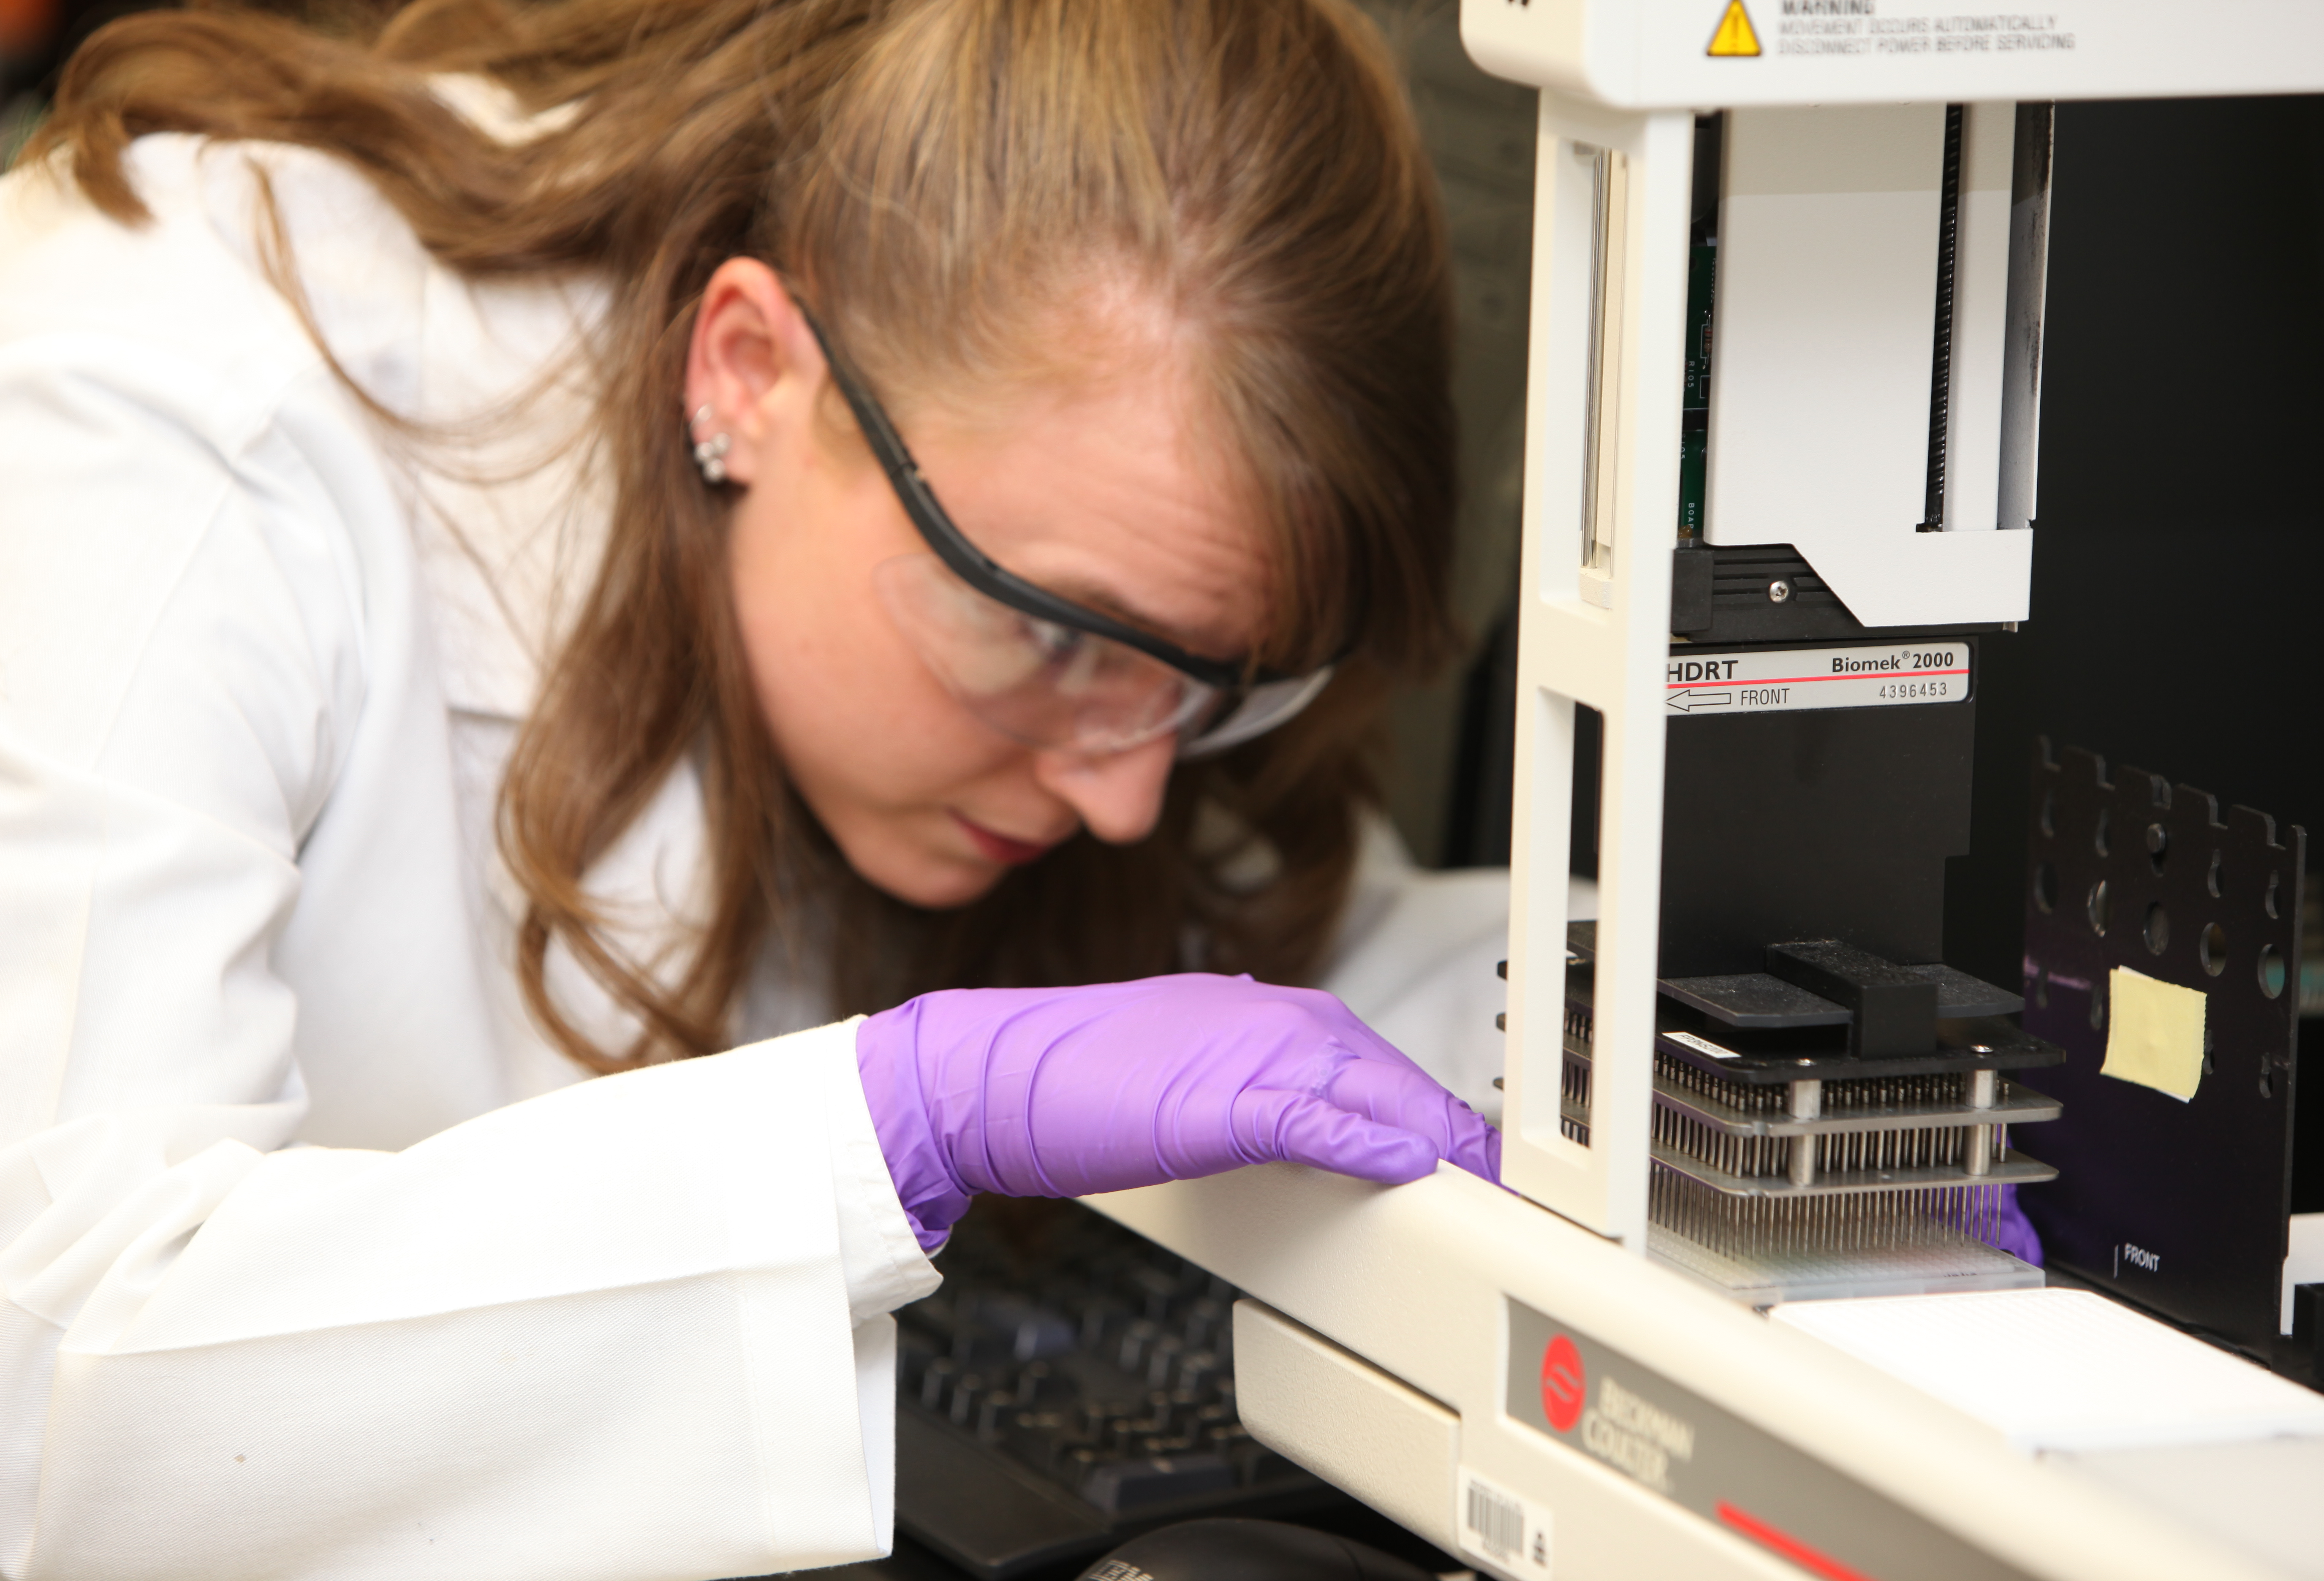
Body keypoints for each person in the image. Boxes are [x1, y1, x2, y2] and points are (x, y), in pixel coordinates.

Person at [0, 0, 1547, 1575]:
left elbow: (1331, 969)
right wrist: (890, 1128)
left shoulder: (1053, 561)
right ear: (748, 371)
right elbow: (49, 1392)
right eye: (1046, 637)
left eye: (1211, 680)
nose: (1129, 800)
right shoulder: (165, 405)